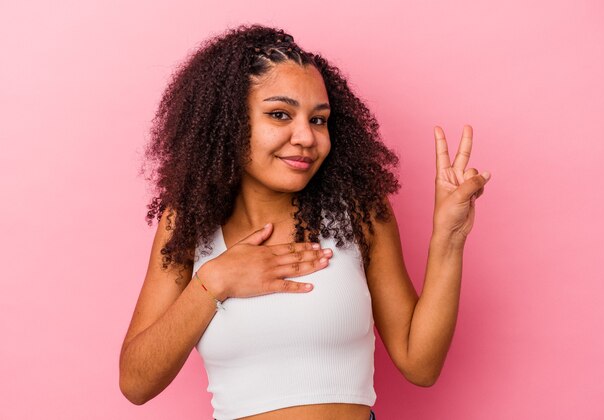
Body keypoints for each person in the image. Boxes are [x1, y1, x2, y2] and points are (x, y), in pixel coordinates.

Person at [119, 24, 491, 420]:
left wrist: (449, 236)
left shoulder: (358, 211)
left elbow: (420, 364)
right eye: (280, 115)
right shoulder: (189, 223)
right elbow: (136, 382)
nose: (306, 138)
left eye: (318, 120)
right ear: (228, 123)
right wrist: (213, 282)